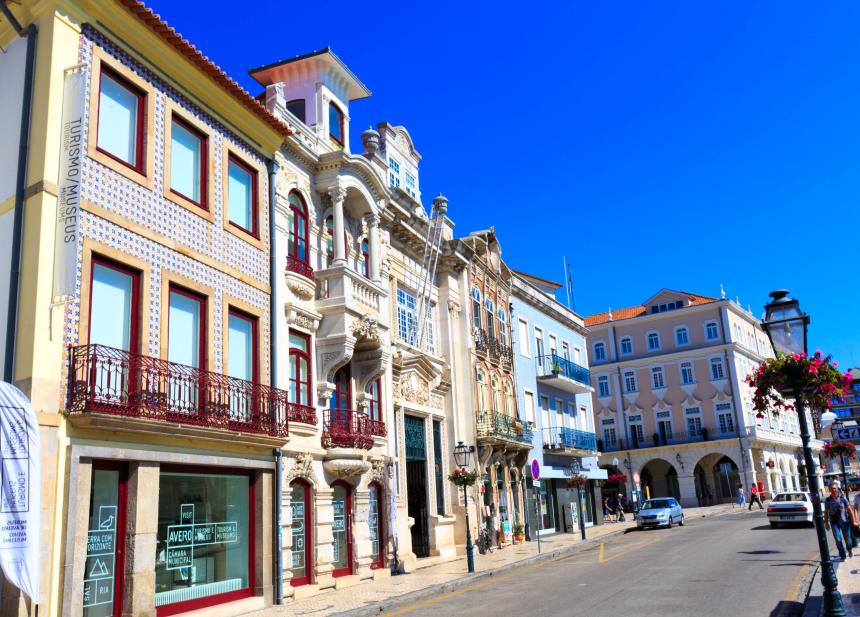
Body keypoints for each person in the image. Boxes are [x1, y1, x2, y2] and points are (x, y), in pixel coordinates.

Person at [825, 481, 856, 561]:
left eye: (834, 488)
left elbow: (850, 510)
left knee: (848, 539)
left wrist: (853, 521)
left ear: (837, 489)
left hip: (845, 522)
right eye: (831, 489)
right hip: (834, 523)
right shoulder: (828, 500)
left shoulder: (843, 499)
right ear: (829, 490)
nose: (833, 490)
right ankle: (842, 555)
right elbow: (826, 512)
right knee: (838, 539)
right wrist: (826, 523)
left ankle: (849, 550)